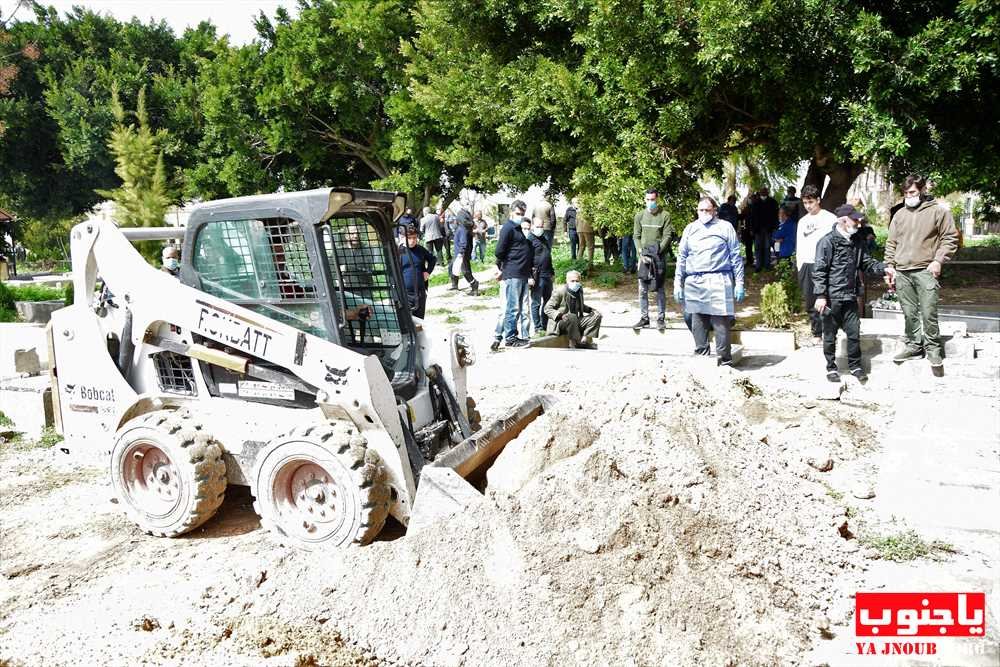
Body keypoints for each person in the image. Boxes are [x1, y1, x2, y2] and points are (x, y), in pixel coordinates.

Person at [885, 174, 960, 376]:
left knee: (928, 312)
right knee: (909, 313)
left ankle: (933, 349)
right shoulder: (899, 215)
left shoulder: (938, 212)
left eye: (913, 192)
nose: (908, 196)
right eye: (906, 193)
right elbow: (891, 242)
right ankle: (913, 346)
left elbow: (950, 237)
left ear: (922, 190)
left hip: (925, 269)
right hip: (902, 271)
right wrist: (890, 265)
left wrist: (938, 260)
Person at [812, 205, 894, 383]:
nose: (858, 222)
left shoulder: (857, 241)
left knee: (854, 333)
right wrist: (820, 295)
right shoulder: (827, 242)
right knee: (829, 335)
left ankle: (855, 366)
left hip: (850, 296)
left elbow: (867, 263)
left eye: (858, 219)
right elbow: (819, 270)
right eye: (854, 219)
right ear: (843, 220)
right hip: (832, 297)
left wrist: (884, 268)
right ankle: (831, 368)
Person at [673, 196, 745, 366]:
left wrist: (740, 282)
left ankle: (725, 360)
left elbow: (736, 256)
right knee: (697, 320)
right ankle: (701, 354)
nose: (704, 213)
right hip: (694, 280)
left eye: (707, 210)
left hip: (719, 278)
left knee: (720, 322)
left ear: (714, 210)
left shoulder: (725, 227)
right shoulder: (690, 229)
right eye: (701, 210)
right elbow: (682, 257)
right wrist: (678, 283)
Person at [795, 185, 837, 341]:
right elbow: (799, 245)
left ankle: (830, 332)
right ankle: (817, 333)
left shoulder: (830, 218)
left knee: (826, 299)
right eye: (805, 203)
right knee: (811, 301)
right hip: (806, 264)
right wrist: (800, 266)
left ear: (818, 200)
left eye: (811, 202)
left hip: (824, 265)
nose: (808, 206)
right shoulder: (802, 221)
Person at [492, 199, 534, 349]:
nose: (520, 216)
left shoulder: (518, 228)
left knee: (519, 308)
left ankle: (514, 336)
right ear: (511, 212)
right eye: (517, 213)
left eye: (522, 214)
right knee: (513, 307)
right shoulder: (508, 228)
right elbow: (499, 251)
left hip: (522, 273)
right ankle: (510, 338)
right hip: (513, 272)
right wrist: (500, 268)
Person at [632, 188, 673, 330]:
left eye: (653, 199)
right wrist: (640, 252)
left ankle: (661, 319)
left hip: (658, 257)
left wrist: (657, 252)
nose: (650, 202)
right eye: (648, 199)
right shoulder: (639, 216)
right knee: (642, 289)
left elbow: (667, 236)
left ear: (657, 199)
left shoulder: (665, 215)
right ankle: (644, 318)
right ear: (645, 200)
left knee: (660, 288)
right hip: (643, 257)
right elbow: (636, 236)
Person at [544, 270, 602, 348]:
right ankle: (574, 343)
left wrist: (592, 310)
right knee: (572, 316)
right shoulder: (560, 291)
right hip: (561, 322)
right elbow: (547, 309)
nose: (575, 283)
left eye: (577, 281)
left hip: (574, 321)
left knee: (597, 315)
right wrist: (560, 315)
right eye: (572, 281)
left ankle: (584, 340)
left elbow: (581, 305)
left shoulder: (579, 290)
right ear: (567, 281)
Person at [399, 225, 436, 318]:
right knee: (407, 322)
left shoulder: (420, 249)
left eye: (414, 238)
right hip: (405, 294)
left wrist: (428, 272)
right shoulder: (398, 251)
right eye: (409, 238)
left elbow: (432, 259)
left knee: (419, 321)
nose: (412, 240)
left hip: (420, 292)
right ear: (403, 238)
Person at [528, 218, 554, 333]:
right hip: (537, 276)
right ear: (533, 226)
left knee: (548, 302)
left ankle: (545, 325)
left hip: (547, 274)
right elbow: (526, 260)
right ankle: (538, 327)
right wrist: (529, 277)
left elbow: (548, 256)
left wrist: (552, 271)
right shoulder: (529, 240)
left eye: (541, 226)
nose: (540, 229)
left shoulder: (544, 238)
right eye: (538, 226)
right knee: (536, 302)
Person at [449, 209, 480, 295]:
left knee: (465, 271)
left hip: (462, 253)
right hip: (460, 252)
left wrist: (461, 253)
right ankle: (455, 285)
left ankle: (474, 285)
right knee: (452, 267)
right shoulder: (463, 228)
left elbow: (463, 242)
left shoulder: (463, 229)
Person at [751, 187, 779, 271]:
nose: (763, 193)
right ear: (759, 193)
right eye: (761, 192)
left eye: (765, 191)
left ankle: (767, 265)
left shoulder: (773, 202)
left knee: (767, 247)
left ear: (767, 192)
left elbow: (775, 216)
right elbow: (752, 217)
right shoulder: (755, 203)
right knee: (757, 247)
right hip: (757, 229)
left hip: (769, 229)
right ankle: (758, 265)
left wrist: (775, 227)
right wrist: (752, 229)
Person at [738, 191, 758, 268]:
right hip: (747, 230)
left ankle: (758, 262)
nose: (752, 200)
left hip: (756, 230)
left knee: (758, 247)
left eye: (753, 198)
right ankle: (750, 261)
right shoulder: (747, 208)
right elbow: (741, 217)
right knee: (748, 247)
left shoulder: (758, 207)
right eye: (751, 198)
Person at [576, 200, 596, 264]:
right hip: (588, 230)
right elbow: (595, 222)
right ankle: (590, 264)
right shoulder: (591, 211)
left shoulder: (578, 212)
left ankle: (578, 263)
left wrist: (578, 230)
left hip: (579, 230)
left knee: (581, 247)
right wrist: (599, 233)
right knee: (590, 247)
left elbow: (576, 222)